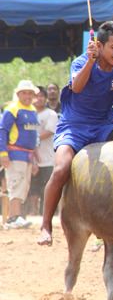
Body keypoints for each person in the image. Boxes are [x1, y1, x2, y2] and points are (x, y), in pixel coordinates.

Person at [38, 21, 113, 246]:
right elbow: (76, 87)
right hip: (73, 126)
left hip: (104, 126)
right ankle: (46, 224)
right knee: (61, 169)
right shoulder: (81, 62)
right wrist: (91, 62)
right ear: (99, 45)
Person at [0, 80, 40, 229]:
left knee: (24, 186)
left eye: (30, 93)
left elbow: (34, 134)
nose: (28, 96)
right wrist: (3, 153)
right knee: (15, 184)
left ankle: (16, 216)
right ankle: (13, 218)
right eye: (24, 93)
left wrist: (35, 158)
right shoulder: (12, 109)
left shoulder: (32, 110)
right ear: (18, 94)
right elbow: (2, 131)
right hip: (15, 152)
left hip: (28, 155)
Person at [26, 86, 58, 216]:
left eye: (41, 96)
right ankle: (32, 213)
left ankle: (46, 214)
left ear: (45, 99)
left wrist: (31, 139)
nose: (38, 99)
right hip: (28, 157)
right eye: (36, 96)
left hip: (47, 158)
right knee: (31, 189)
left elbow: (50, 131)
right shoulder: (27, 113)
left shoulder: (51, 114)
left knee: (47, 187)